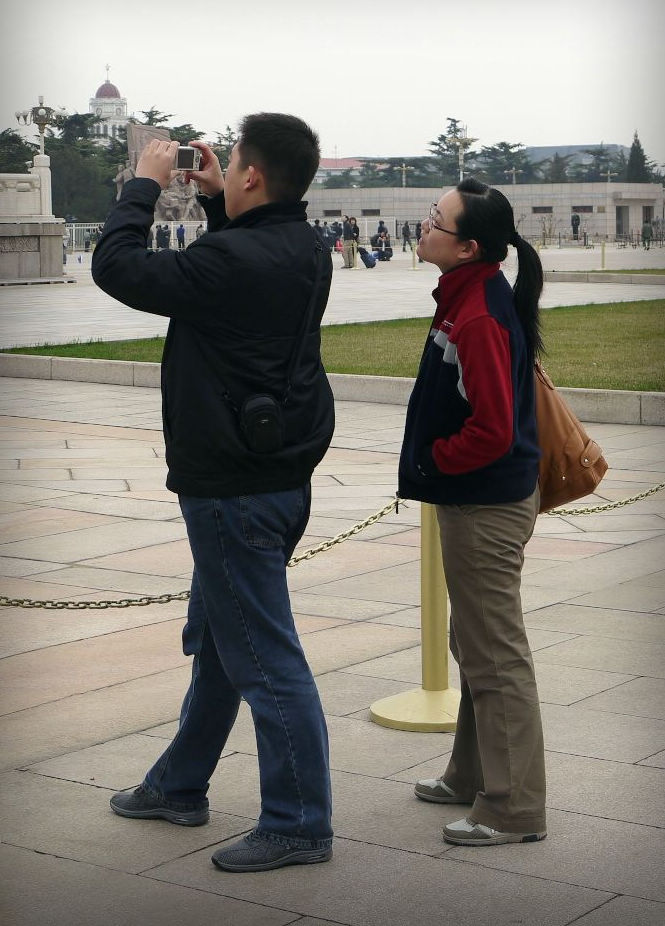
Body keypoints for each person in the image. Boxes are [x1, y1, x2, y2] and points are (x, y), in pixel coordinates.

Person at [91, 113, 335, 873]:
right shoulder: (304, 245)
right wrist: (212, 200)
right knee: (224, 643)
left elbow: (118, 267)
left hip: (233, 486)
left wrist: (144, 185)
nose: (222, 169)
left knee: (262, 656)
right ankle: (178, 784)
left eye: (230, 163)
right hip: (276, 474)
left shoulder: (232, 263)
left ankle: (298, 821)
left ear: (254, 176)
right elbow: (247, 248)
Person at [398, 178, 546, 848]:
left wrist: (432, 461)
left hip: (486, 504)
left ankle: (513, 808)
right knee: (474, 644)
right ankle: (469, 774)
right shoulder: (465, 294)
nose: (423, 226)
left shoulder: (480, 314)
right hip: (475, 499)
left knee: (494, 655)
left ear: (469, 247)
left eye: (436, 220)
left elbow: (490, 430)